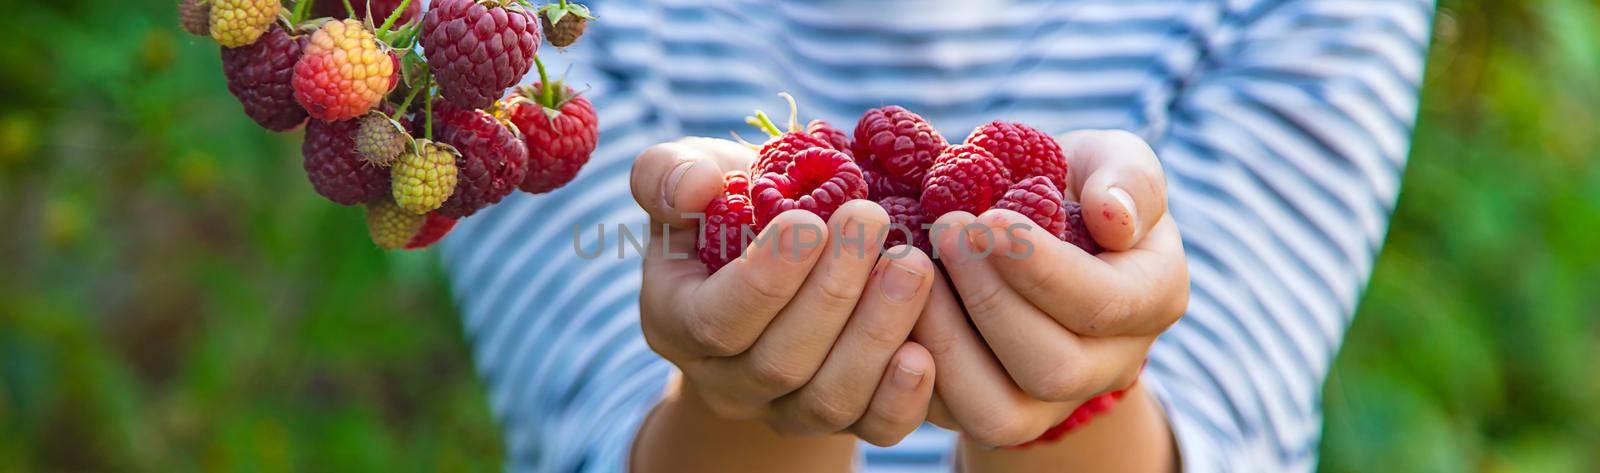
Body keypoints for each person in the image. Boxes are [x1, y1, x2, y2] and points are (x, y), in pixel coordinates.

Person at [439, 0, 1436, 471]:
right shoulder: (506, 33)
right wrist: (732, 385)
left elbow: (1218, 431)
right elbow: (594, 431)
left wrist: (1074, 396)